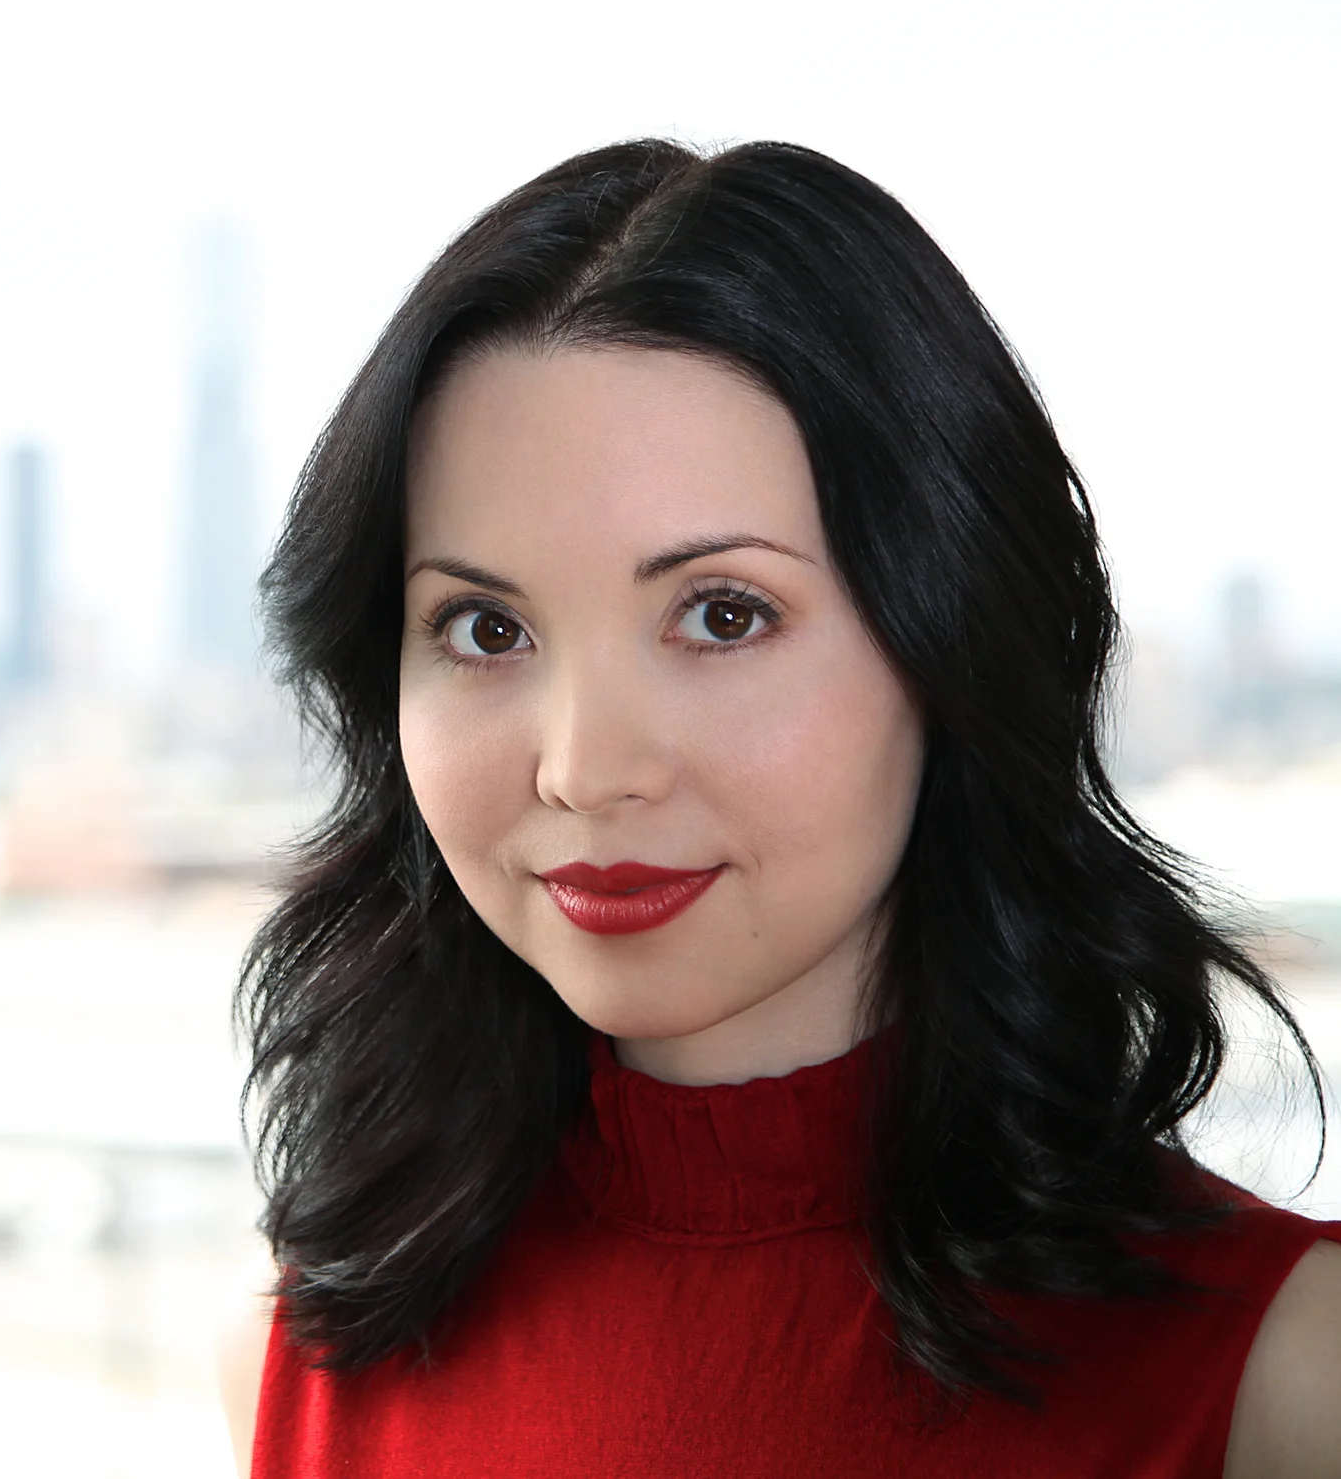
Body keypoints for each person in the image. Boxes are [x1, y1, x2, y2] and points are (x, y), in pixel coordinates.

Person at [218, 140, 1341, 1477]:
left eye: (721, 614)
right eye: (484, 625)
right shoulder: (298, 1361)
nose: (584, 766)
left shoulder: (1283, 1377)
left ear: (950, 632)